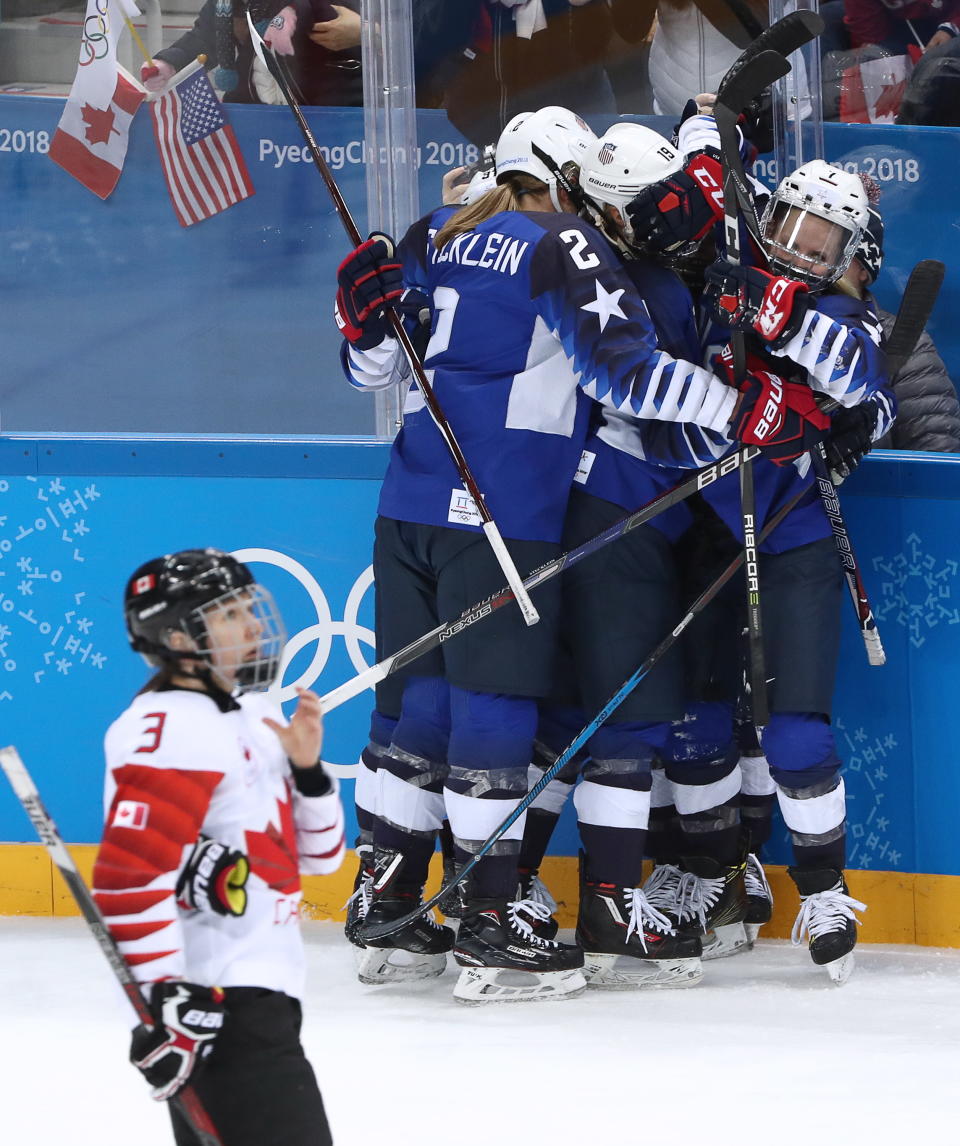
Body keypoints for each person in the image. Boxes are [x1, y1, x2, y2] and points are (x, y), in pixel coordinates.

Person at [334, 105, 826, 1004]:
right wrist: (743, 411)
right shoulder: (562, 239)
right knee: (493, 706)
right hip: (503, 507)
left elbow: (372, 367)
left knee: (423, 703)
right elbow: (624, 376)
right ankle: (489, 925)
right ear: (563, 180)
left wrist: (358, 330)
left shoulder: (433, 230)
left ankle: (393, 900)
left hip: (406, 500)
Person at [646, 158, 896, 984]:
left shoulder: (835, 311)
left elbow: (863, 379)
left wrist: (775, 312)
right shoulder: (720, 284)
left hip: (792, 538)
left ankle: (823, 888)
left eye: (822, 236)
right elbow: (665, 392)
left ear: (850, 251)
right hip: (704, 528)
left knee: (793, 726)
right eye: (789, 222)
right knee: (697, 719)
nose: (799, 245)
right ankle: (713, 869)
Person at [92, 548, 345, 1145]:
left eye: (246, 607)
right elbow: (129, 879)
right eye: (230, 614)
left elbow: (322, 857)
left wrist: (308, 772)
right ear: (178, 635)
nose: (255, 624)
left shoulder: (252, 713)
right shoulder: (171, 728)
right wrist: (169, 1007)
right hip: (217, 1003)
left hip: (266, 994)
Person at [141, 0, 362, 107]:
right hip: (252, 110)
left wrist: (370, 32)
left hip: (327, 113)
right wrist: (169, 63)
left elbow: (386, 28)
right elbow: (205, 39)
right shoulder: (225, 3)